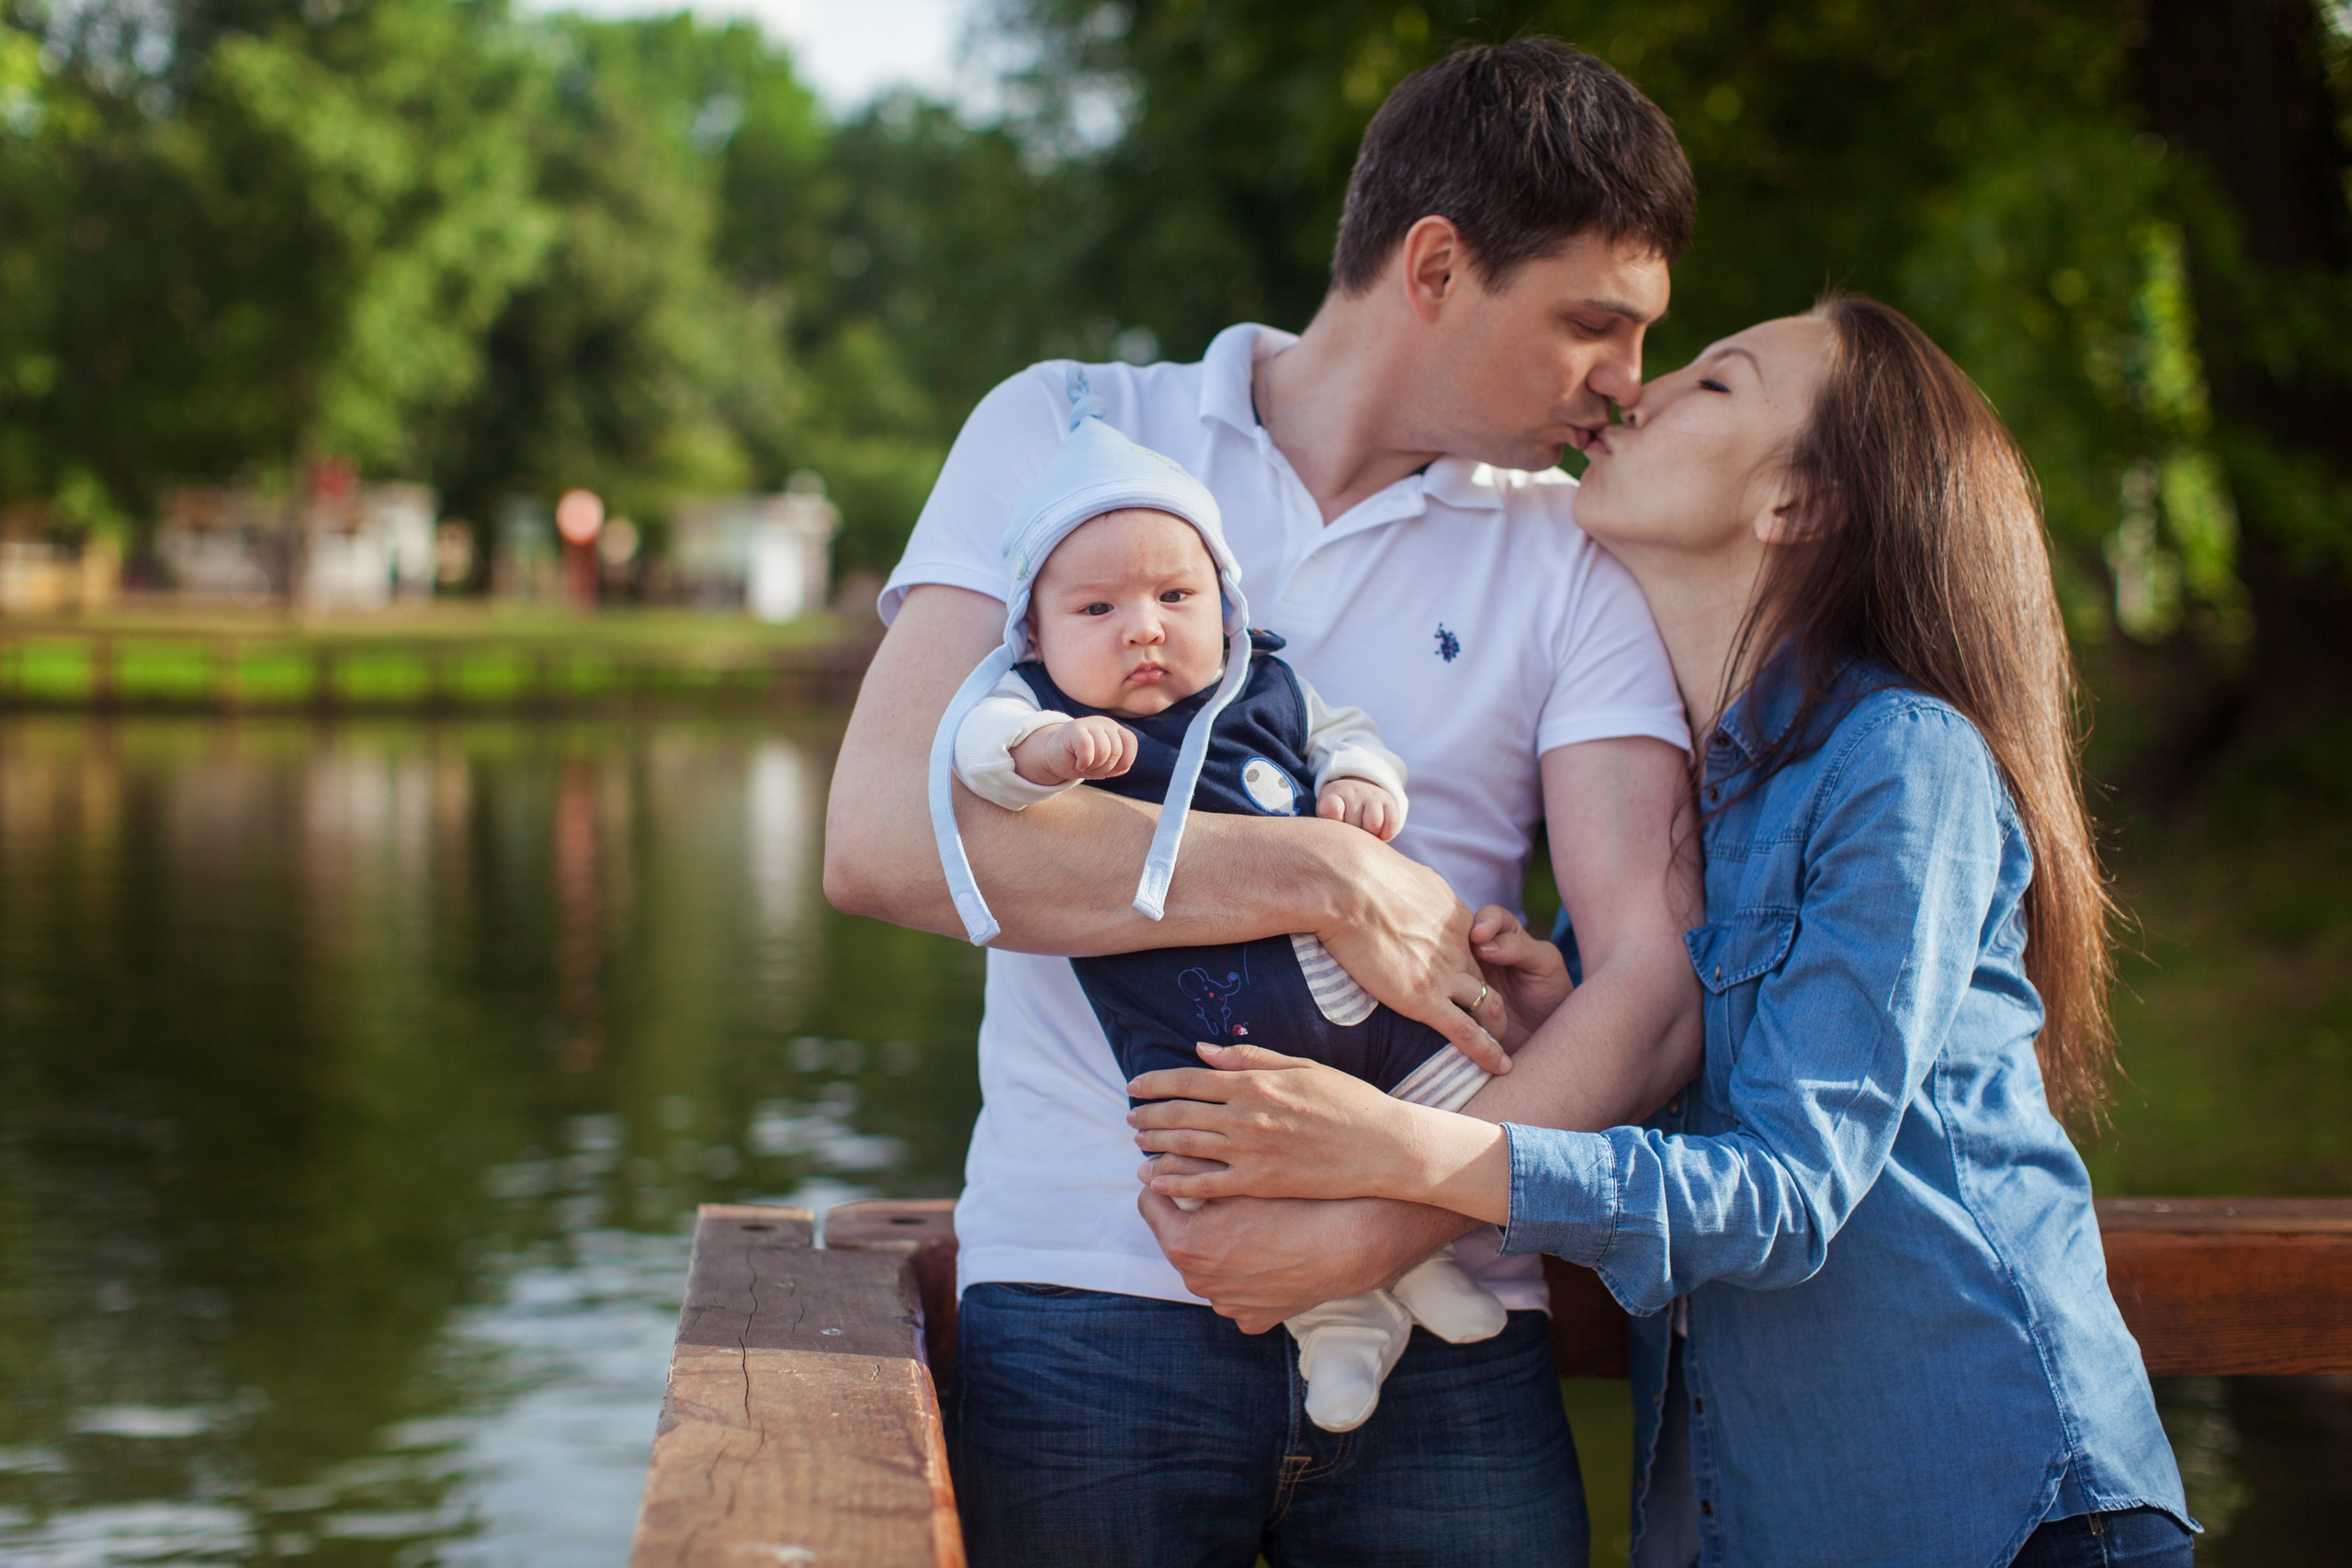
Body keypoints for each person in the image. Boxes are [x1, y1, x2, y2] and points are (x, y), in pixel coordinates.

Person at [1128, 297, 2195, 1568]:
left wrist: (1407, 1147)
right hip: (1764, 1516)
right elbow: (1702, 1132)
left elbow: (1791, 1191)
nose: (1637, 391)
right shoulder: (1682, 798)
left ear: (1794, 502)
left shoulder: (1899, 759)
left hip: (2000, 1501)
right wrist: (1551, 1027)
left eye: (1715, 382)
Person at [826, 38, 1705, 1568]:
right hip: (1091, 1313)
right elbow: (887, 838)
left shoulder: (1577, 552)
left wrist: (1385, 1216)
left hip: (1451, 1334)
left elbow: (1653, 979)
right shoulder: (1067, 429)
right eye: (1593, 325)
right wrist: (1322, 873)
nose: (1628, 386)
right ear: (1438, 265)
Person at [937, 389, 1530, 1434]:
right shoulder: (1045, 706)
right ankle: (1339, 1324)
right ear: (1034, 632)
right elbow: (974, 756)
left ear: (1226, 603)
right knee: (1233, 1170)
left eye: (1176, 595)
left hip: (1347, 1000)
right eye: (1096, 611)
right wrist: (1042, 757)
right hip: (1198, 1036)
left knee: (1438, 1093)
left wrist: (1360, 784)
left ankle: (1422, 1263)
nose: (1144, 630)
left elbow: (1348, 733)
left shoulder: (1266, 688)